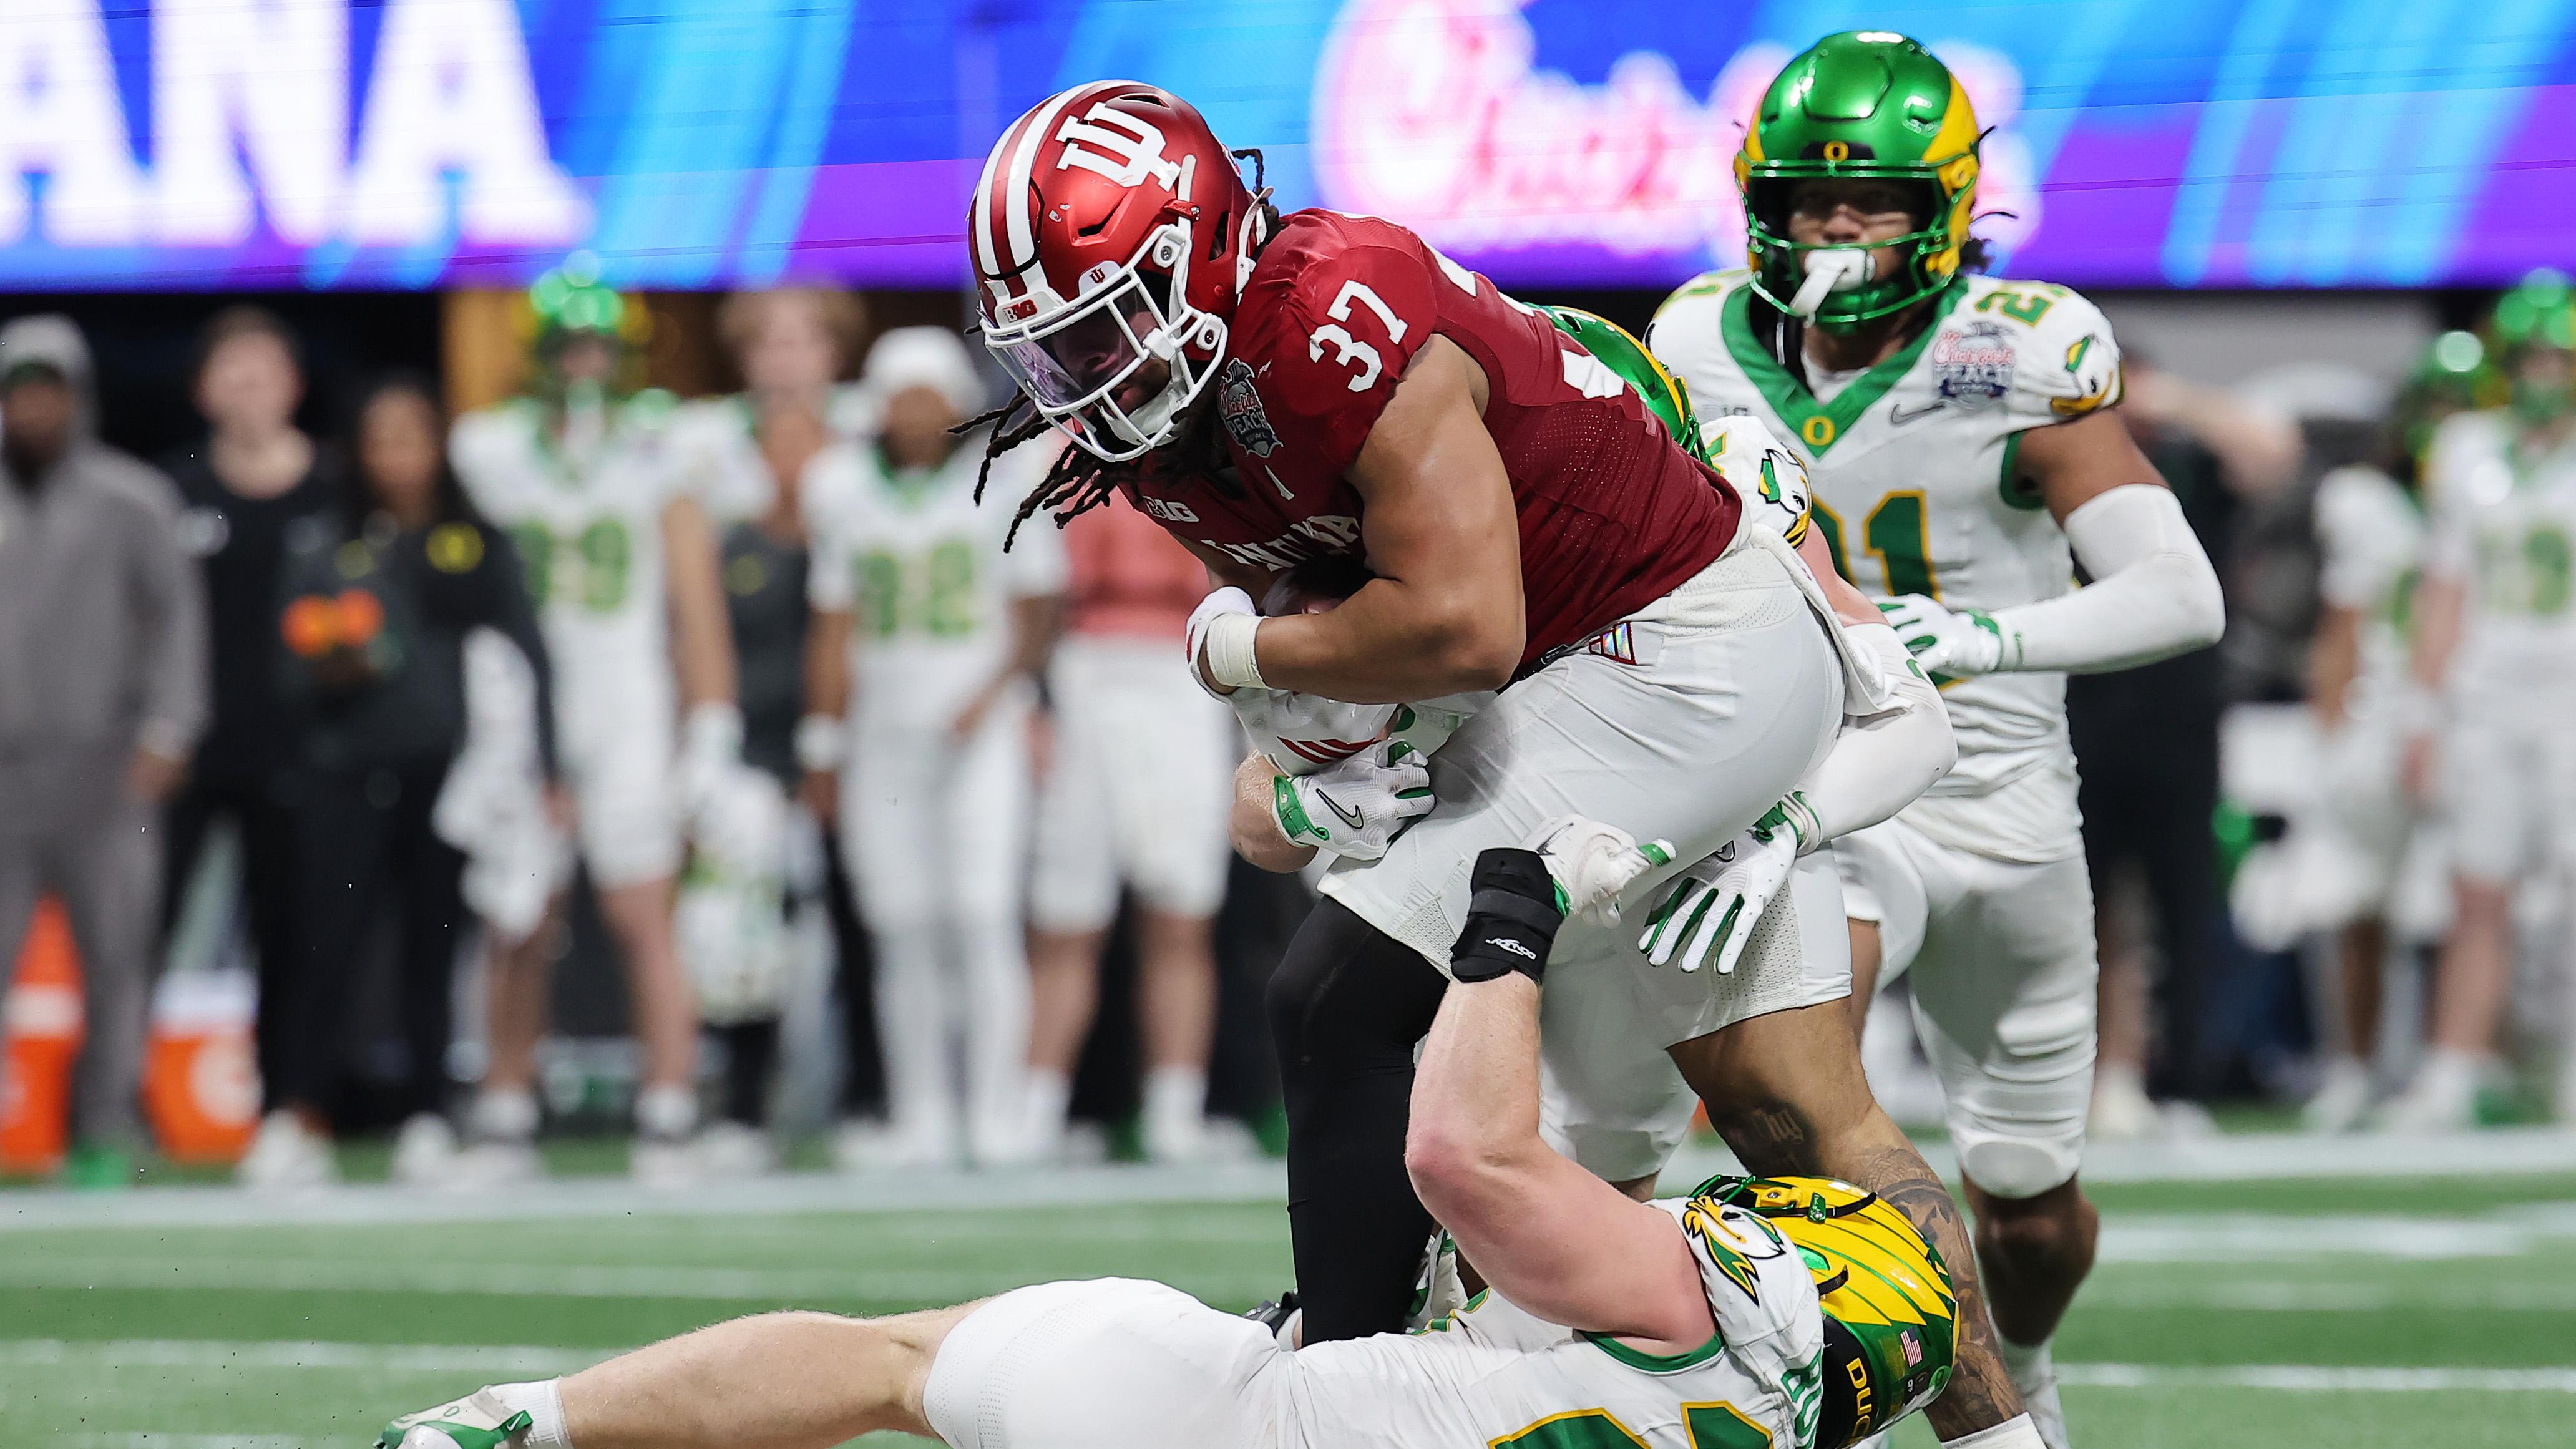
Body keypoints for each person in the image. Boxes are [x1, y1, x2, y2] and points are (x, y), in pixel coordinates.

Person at [965, 80, 2022, 1445]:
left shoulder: (1352, 324)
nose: (1091, 379)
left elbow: (1463, 630)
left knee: (1338, 1003)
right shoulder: (1183, 430)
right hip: (1581, 704)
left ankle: (1340, 1383)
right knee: (1781, 1120)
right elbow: (1294, 753)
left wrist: (1241, 662)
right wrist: (1296, 779)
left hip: (1675, 667)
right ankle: (2007, 1438)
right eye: (1056, 353)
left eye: (1108, 325)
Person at [376, 841, 1958, 1449]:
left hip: (1221, 1424)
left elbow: (1467, 1158)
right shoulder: (1751, 1400)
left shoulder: (1717, 1321)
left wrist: (1501, 929)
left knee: (889, 1362)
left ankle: (519, 1421)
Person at [1646, 32, 2226, 1449]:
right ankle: (1878, 1402)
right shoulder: (1692, 341)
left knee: (2026, 1209)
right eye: (1803, 196)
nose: (1835, 226)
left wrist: (1980, 637)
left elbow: (2179, 592)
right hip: (1832, 792)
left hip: (2002, 798)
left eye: (1876, 199)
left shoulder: (2017, 349)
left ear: (1948, 204)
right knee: (1789, 1088)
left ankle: (2012, 1358)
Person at [447, 269, 741, 1186]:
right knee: (519, 909)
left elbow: (694, 601)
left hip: (628, 700)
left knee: (640, 906)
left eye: (596, 345)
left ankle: (668, 1103)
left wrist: (712, 720)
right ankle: (503, 1103)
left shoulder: (663, 444)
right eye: (567, 344)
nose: (582, 362)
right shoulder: (491, 449)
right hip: (520, 699)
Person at [265, 376, 563, 1186]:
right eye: (382, 436)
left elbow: (530, 654)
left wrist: (550, 765)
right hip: (346, 770)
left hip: (449, 777)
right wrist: (335, 664)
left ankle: (430, 1114)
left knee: (436, 952)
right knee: (329, 944)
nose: (399, 453)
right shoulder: (327, 542)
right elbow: (287, 672)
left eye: (414, 434)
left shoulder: (474, 541)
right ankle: (298, 1112)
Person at [803, 326, 1065, 1169]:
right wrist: (825, 741)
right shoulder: (842, 490)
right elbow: (835, 623)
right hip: (885, 733)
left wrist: (989, 695)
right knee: (903, 923)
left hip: (979, 728)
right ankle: (922, 1111)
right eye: (900, 396)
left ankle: (998, 1113)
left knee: (984, 914)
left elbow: (1038, 608)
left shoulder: (1002, 478)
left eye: (929, 395)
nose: (915, 413)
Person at [2258, 335, 2487, 1131]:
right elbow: (2344, 622)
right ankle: (2354, 1065)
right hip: (2380, 715)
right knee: (2357, 901)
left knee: (2475, 902)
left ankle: (2457, 1067)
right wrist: (2331, 730)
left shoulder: (2503, 490)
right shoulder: (2366, 500)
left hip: (2478, 716)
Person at [668, 285, 872, 1178]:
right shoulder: (709, 465)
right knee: (739, 923)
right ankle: (742, 1107)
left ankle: (870, 1099)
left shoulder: (875, 452)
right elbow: (697, 612)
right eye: (769, 344)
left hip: (853, 726)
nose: (787, 360)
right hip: (751, 720)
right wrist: (711, 728)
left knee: (862, 913)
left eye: (804, 340)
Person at [0, 314, 207, 1189]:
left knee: (118, 957)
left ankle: (105, 1127)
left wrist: (171, 726)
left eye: (49, 389)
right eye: (20, 391)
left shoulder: (132, 498)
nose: (35, 407)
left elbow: (176, 621)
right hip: (3, 774)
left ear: (77, 397)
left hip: (104, 762)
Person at [2068, 354, 2300, 1135]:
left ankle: (2183, 1084)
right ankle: (2100, 1075)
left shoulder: (2192, 460)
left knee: (2186, 905)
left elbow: (2272, 453)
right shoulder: (2060, 464)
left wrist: (2172, 396)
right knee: (2082, 911)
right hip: (2082, 714)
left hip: (2181, 720)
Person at [156, 308, 347, 1186]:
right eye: (229, 370)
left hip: (306, 753)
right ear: (202, 389)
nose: (247, 386)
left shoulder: (339, 495)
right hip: (184, 751)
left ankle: (289, 1112)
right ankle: (116, 1111)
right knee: (143, 931)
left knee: (295, 940)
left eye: (262, 368)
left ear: (293, 383)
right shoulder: (171, 495)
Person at [2383, 272, 2576, 1131]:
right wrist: (2424, 713)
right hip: (2489, 696)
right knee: (2477, 890)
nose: (2545, 373)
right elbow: (2445, 587)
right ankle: (2456, 1066)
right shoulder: (2466, 446)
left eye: (2559, 357)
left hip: (2570, 695)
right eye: (2531, 356)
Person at [1023, 489, 1241, 1163]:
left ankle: (1173, 1113)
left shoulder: (1209, 447)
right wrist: (1032, 695)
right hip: (1085, 664)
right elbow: (1029, 586)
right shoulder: (1058, 454)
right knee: (1067, 912)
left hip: (1186, 670)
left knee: (1181, 911)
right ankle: (1032, 1114)